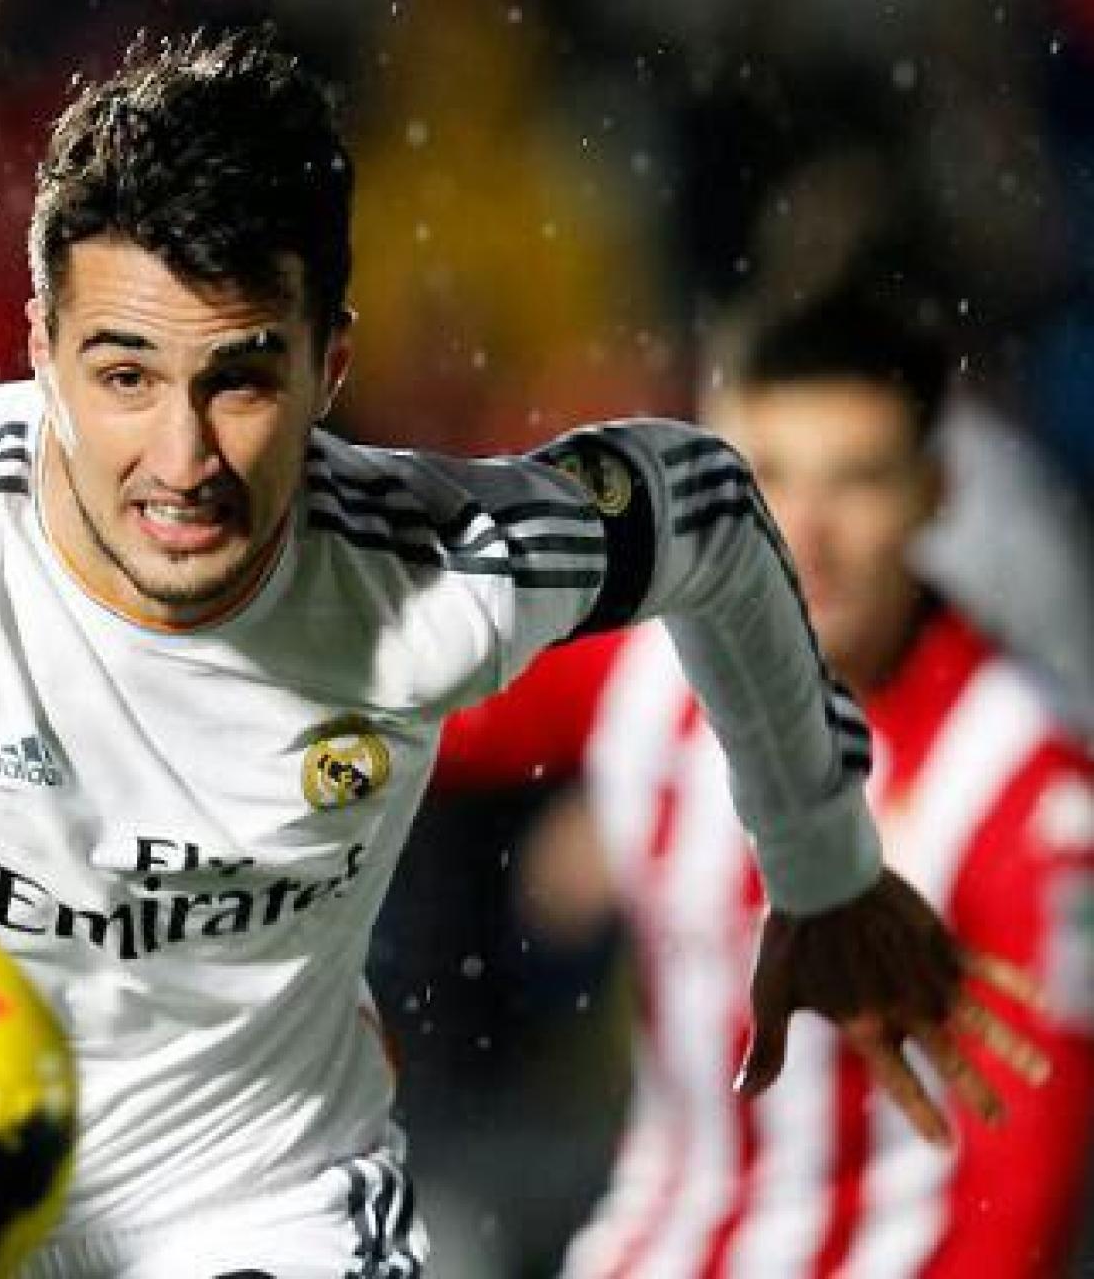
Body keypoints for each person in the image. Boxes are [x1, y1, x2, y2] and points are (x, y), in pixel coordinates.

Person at [0, 30, 1043, 1278]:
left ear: (331, 361)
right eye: (120, 373)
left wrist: (819, 856)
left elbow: (701, 504)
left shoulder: (438, 572)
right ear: (36, 345)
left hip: (264, 1213)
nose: (179, 458)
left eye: (239, 379)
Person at [438, 284, 1094, 1276]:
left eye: (858, 480)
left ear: (932, 492)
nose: (805, 533)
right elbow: (393, 700)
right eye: (765, 475)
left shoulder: (1025, 788)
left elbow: (1023, 1189)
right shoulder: (643, 652)